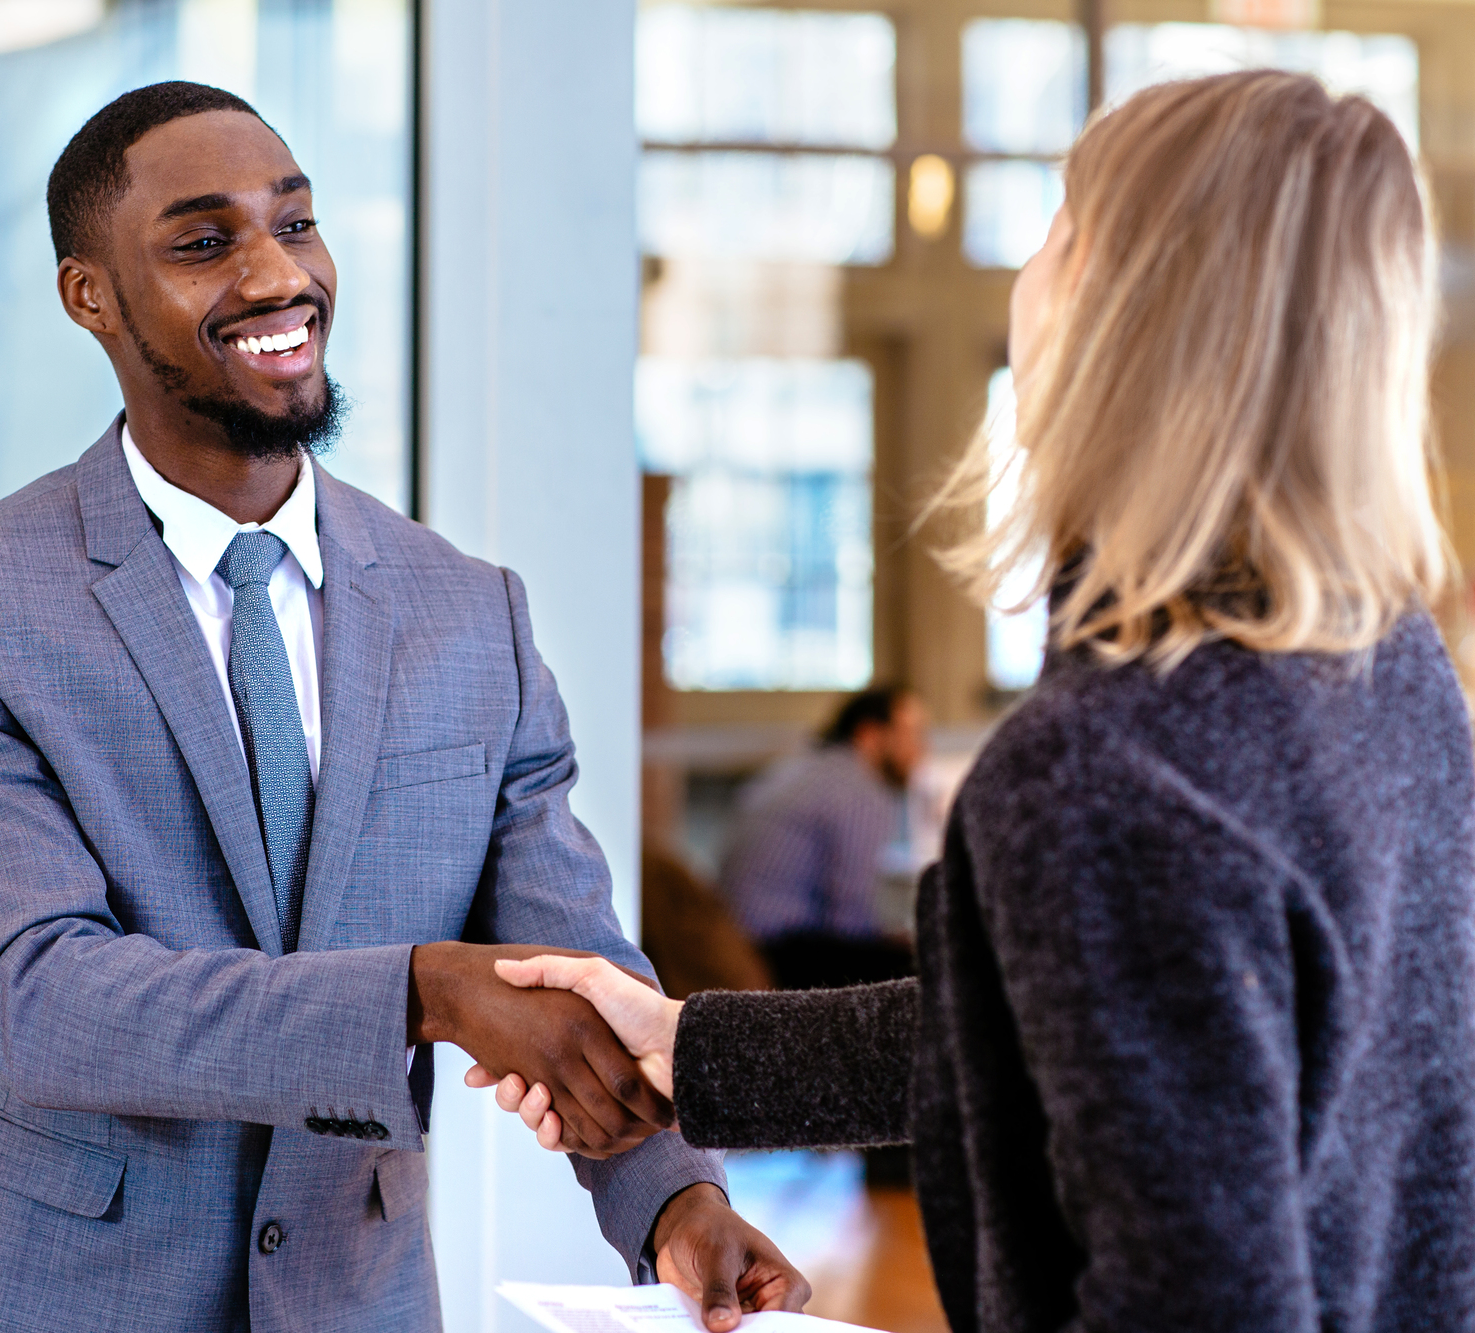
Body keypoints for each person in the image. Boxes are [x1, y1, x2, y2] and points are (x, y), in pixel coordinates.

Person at [475, 71, 1475, 1333]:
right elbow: (1082, 1035)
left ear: (1122, 314)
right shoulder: (1390, 671)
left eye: (1056, 225)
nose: (1028, 271)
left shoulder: (1098, 774)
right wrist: (692, 1049)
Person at [0, 82, 805, 1331]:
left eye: (294, 224)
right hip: (58, 1295)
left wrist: (671, 1202)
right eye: (204, 242)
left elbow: (566, 964)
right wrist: (417, 988)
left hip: (353, 1299)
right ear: (89, 294)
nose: (273, 275)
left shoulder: (474, 615)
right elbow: (45, 1000)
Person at [717, 685, 926, 989]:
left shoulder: (801, 769)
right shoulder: (858, 789)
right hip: (779, 950)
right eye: (912, 734)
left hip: (736, 940)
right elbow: (850, 917)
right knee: (920, 972)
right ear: (870, 735)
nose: (921, 750)